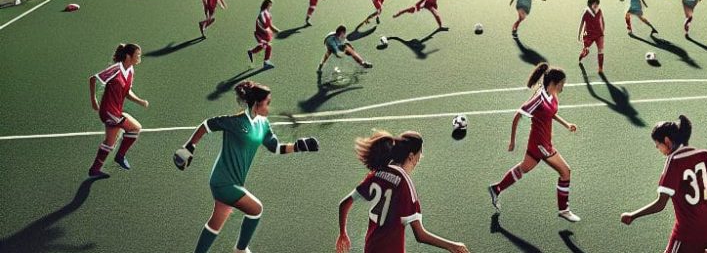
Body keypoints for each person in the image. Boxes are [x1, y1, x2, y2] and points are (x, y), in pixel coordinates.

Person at [176, 81, 319, 253]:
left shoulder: (263, 124)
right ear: (257, 104)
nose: (269, 107)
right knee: (256, 209)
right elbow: (207, 125)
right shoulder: (236, 122)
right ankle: (240, 249)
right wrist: (190, 146)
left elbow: (275, 147)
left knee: (216, 223)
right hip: (223, 181)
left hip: (235, 180)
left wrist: (298, 146)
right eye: (267, 103)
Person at [621, 115, 707, 253]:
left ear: (667, 141)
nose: (658, 149)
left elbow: (660, 204)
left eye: (658, 145)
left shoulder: (674, 162)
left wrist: (632, 215)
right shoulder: (703, 154)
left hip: (690, 230)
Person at [336, 131, 469, 253]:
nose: (419, 158)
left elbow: (344, 203)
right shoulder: (405, 183)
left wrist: (343, 233)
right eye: (419, 154)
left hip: (370, 248)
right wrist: (452, 246)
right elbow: (420, 234)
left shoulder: (378, 173)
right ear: (411, 156)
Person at [488, 63, 581, 222]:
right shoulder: (538, 98)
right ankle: (564, 210)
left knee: (524, 168)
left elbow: (550, 113)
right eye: (562, 84)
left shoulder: (551, 95)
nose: (563, 88)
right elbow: (518, 115)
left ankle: (496, 189)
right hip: (540, 144)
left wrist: (566, 124)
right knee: (565, 171)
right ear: (554, 83)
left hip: (542, 141)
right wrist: (512, 141)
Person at [87, 43, 149, 179]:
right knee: (135, 128)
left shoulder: (131, 70)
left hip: (115, 111)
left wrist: (139, 101)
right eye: (137, 54)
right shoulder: (116, 69)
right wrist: (94, 101)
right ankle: (120, 156)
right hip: (109, 111)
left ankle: (94, 170)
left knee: (109, 142)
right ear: (128, 56)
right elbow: (93, 79)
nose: (139, 57)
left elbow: (127, 92)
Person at [247, 0, 280, 69]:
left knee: (262, 46)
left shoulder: (268, 14)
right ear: (267, 5)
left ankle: (251, 52)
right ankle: (266, 62)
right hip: (260, 34)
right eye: (270, 6)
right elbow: (263, 25)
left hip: (265, 34)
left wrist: (277, 31)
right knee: (268, 46)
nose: (270, 7)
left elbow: (270, 26)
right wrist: (274, 31)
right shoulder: (262, 14)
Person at [577, 0, 606, 73]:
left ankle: (600, 68)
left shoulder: (599, 11)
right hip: (589, 35)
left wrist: (603, 30)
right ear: (590, 4)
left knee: (601, 50)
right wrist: (579, 34)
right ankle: (583, 54)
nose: (596, 5)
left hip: (599, 34)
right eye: (595, 4)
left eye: (597, 4)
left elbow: (602, 20)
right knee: (586, 50)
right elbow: (581, 23)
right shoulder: (586, 12)